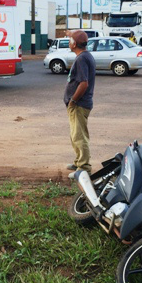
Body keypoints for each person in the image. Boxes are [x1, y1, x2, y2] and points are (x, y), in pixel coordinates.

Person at [63, 30, 96, 177]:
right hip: (78, 104)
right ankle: (78, 162)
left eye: (70, 40)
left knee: (79, 136)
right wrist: (71, 33)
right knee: (75, 135)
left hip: (79, 104)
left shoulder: (82, 59)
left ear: (74, 44)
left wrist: (73, 100)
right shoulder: (85, 55)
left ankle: (83, 168)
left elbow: (84, 83)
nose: (69, 42)